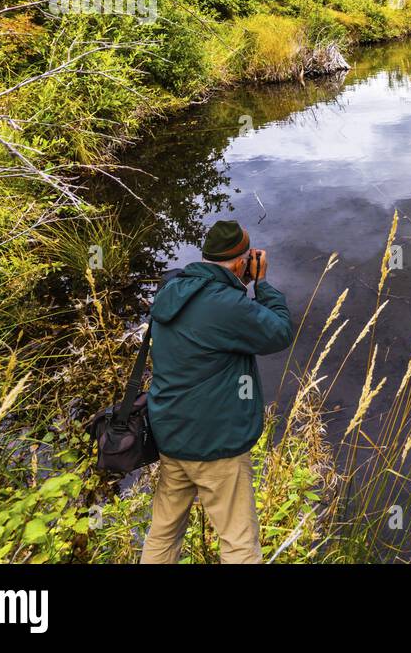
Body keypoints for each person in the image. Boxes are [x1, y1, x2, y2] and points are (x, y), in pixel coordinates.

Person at [140, 219, 294, 564]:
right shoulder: (226, 304)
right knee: (239, 543)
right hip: (215, 443)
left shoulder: (171, 291)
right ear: (242, 262)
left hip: (171, 433)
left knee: (163, 532)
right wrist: (263, 285)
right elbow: (280, 332)